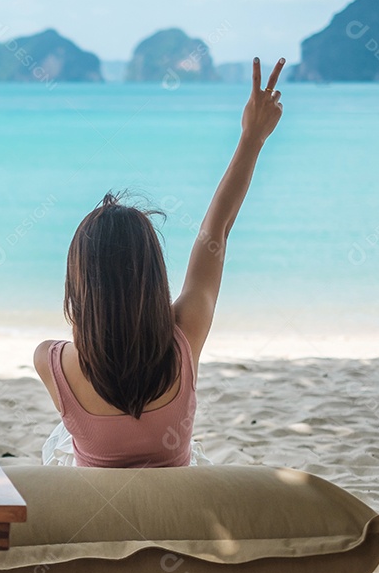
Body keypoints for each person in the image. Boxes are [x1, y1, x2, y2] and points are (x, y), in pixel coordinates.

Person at [34, 57, 285, 468]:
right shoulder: (185, 337)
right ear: (152, 276)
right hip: (175, 508)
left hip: (99, 515)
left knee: (60, 439)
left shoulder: (51, 360)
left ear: (79, 284)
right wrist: (251, 138)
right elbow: (216, 230)